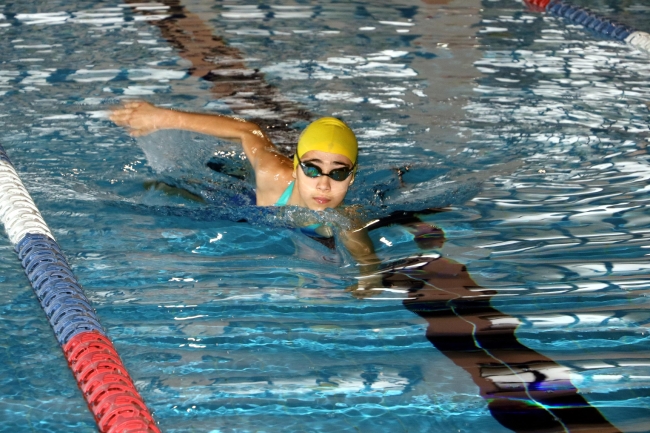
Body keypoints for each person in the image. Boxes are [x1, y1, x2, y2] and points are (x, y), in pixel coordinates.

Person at [110, 101, 378, 267]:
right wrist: (160, 117)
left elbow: (369, 267)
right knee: (170, 192)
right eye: (312, 169)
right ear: (296, 169)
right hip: (254, 205)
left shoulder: (347, 222)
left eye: (338, 174)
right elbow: (248, 131)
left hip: (276, 223)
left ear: (352, 177)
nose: (323, 185)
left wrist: (366, 284)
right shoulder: (274, 174)